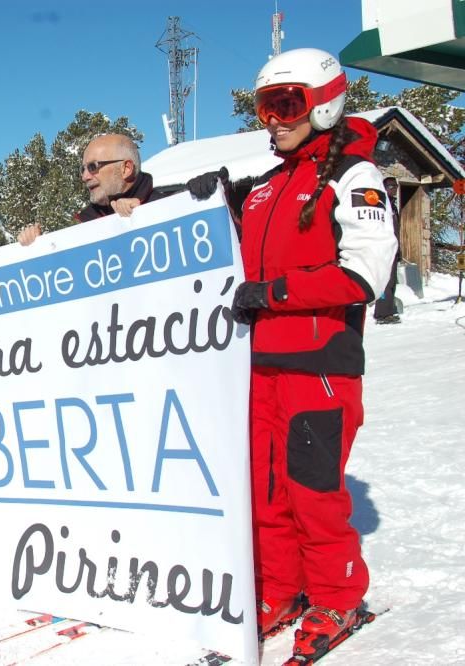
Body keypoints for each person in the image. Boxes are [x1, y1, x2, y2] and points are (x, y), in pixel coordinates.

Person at [187, 48, 397, 657]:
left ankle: (337, 595)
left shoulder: (353, 177)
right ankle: (280, 589)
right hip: (260, 368)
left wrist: (274, 294)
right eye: (265, 107)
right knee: (266, 489)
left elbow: (363, 275)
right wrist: (208, 202)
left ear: (325, 103)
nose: (274, 120)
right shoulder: (267, 186)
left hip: (320, 365)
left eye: (287, 104)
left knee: (312, 491)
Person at [18, 133, 159, 246]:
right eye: (83, 169)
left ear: (126, 169)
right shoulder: (81, 224)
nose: (85, 177)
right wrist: (38, 245)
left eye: (93, 167)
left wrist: (145, 214)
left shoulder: (166, 207)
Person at [372, 176, 402, 324]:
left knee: (392, 281)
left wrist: (398, 250)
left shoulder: (393, 206)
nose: (394, 189)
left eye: (395, 186)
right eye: (391, 186)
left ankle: (388, 311)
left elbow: (396, 230)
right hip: (383, 249)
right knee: (385, 281)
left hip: (393, 249)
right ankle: (381, 314)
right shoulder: (380, 205)